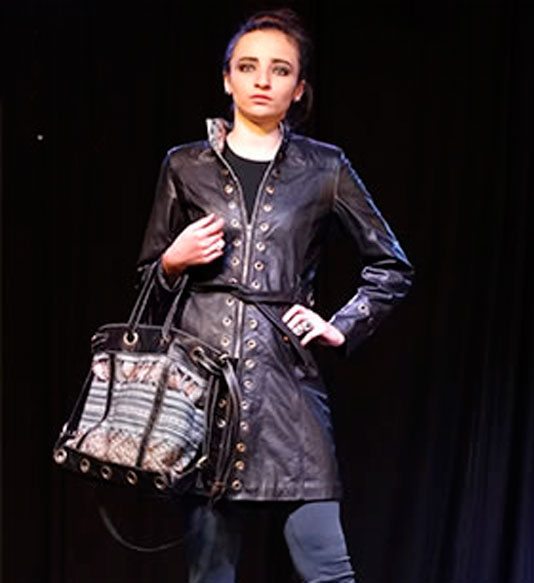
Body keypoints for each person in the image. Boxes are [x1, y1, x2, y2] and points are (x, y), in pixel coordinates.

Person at [136, 8, 413, 582]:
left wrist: (343, 323)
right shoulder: (184, 166)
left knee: (328, 571)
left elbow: (390, 264)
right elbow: (147, 287)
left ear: (299, 87)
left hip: (288, 387)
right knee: (210, 576)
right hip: (202, 389)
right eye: (248, 66)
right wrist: (171, 260)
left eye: (280, 69)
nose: (263, 80)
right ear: (227, 79)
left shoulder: (325, 167)